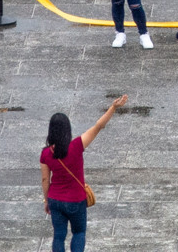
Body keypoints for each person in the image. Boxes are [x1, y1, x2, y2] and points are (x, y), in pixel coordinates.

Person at [38, 98, 129, 252]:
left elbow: (45, 179)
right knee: (79, 232)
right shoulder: (77, 145)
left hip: (56, 200)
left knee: (59, 235)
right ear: (67, 129)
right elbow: (99, 126)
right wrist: (113, 107)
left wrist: (47, 200)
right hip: (76, 200)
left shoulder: (45, 154)